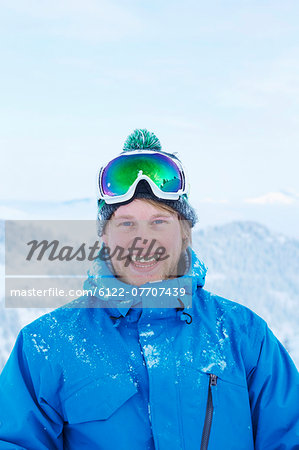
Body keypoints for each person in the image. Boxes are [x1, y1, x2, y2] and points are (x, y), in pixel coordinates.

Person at [0, 129, 298, 450]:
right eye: (126, 223)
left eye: (159, 221)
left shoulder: (244, 337)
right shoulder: (47, 345)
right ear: (105, 237)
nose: (143, 240)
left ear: (184, 234)